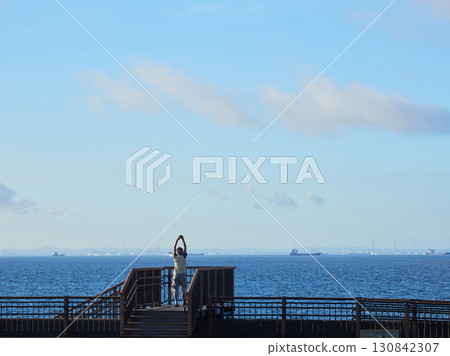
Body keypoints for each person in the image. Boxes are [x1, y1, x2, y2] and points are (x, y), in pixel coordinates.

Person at [172, 234, 188, 307]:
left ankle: (176, 302)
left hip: (176, 274)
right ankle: (183, 302)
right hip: (183, 274)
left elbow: (174, 247)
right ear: (181, 252)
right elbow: (185, 247)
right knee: (183, 290)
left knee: (175, 289)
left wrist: (177, 239)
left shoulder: (175, 257)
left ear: (177, 252)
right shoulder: (184, 256)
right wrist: (183, 239)